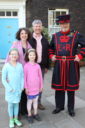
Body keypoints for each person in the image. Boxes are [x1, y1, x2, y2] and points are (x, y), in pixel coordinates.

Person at [49, 14, 85, 117]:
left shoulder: (76, 35)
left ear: (69, 23)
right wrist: (51, 56)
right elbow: (51, 48)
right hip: (59, 64)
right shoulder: (55, 36)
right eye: (62, 23)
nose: (64, 25)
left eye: (66, 23)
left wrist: (80, 55)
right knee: (59, 87)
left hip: (71, 64)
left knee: (71, 88)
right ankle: (59, 106)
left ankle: (71, 108)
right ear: (60, 24)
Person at [6, 28, 32, 116]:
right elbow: (8, 57)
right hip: (17, 72)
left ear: (28, 35)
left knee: (25, 90)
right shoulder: (15, 44)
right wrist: (6, 74)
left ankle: (24, 110)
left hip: (27, 72)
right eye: (22, 33)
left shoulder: (29, 46)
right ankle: (17, 111)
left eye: (25, 33)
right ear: (19, 35)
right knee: (18, 91)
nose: (24, 35)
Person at [29, 20, 49, 110]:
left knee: (40, 85)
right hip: (31, 66)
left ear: (41, 27)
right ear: (33, 27)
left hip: (41, 66)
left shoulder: (44, 40)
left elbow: (47, 53)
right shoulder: (29, 39)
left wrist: (46, 66)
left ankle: (38, 102)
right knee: (30, 84)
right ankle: (30, 103)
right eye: (36, 26)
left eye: (39, 26)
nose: (37, 28)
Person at [2, 48, 24, 128]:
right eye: (12, 54)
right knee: (10, 105)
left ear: (18, 56)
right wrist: (9, 88)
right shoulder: (6, 66)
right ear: (9, 55)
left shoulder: (20, 65)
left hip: (18, 90)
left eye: (15, 54)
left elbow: (22, 77)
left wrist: (22, 87)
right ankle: (11, 120)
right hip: (10, 90)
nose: (14, 55)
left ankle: (16, 119)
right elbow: (3, 79)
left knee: (16, 104)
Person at [24, 48, 43, 123]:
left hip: (37, 88)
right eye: (30, 55)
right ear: (28, 56)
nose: (32, 56)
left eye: (33, 55)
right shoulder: (26, 66)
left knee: (35, 101)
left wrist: (41, 86)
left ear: (35, 56)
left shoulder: (38, 66)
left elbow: (40, 77)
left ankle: (35, 113)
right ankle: (29, 114)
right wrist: (26, 88)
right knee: (29, 101)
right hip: (29, 88)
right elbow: (24, 78)